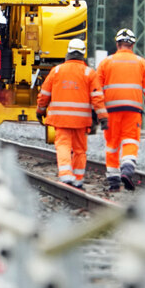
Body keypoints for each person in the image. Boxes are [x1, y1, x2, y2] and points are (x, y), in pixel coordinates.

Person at [36, 37, 107, 189]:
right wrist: (103, 118)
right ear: (83, 54)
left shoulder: (56, 71)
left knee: (63, 145)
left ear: (68, 52)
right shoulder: (89, 73)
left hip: (61, 119)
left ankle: (66, 174)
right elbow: (97, 98)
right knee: (80, 150)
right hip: (81, 122)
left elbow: (44, 94)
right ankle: (78, 178)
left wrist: (40, 110)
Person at [95, 28, 145, 192]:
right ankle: (128, 168)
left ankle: (114, 180)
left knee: (112, 144)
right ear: (133, 44)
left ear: (117, 44)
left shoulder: (106, 63)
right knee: (130, 140)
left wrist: (98, 111)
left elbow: (96, 90)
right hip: (133, 109)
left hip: (110, 111)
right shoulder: (141, 62)